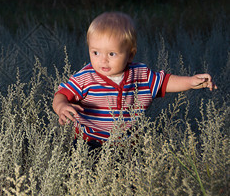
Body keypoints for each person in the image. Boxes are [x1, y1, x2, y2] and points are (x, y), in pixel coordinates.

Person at [53, 11, 217, 149]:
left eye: (112, 54)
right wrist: (61, 106)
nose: (103, 60)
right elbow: (61, 94)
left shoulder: (140, 75)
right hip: (90, 142)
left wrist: (190, 82)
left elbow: (165, 82)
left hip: (129, 143)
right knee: (86, 179)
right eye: (95, 52)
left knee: (129, 180)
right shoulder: (86, 77)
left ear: (130, 54)